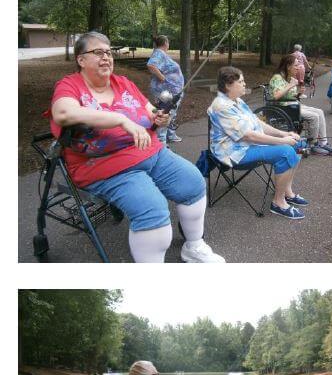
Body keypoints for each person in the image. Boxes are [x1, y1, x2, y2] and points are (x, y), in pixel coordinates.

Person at [50, 31, 224, 263]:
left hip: (149, 151)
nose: (106, 57)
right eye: (98, 52)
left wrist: (160, 117)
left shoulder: (123, 83)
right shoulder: (70, 85)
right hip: (106, 166)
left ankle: (193, 245)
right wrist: (121, 120)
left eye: (109, 52)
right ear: (81, 59)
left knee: (193, 181)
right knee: (152, 209)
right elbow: (63, 113)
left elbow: (149, 110)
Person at [208, 66, 306, 220]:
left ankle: (287, 192)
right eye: (241, 81)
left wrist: (285, 133)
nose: (245, 84)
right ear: (228, 85)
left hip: (247, 146)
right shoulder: (221, 106)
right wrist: (282, 141)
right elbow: (248, 136)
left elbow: (258, 124)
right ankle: (278, 203)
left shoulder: (237, 101)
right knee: (285, 152)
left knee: (298, 144)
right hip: (233, 154)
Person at [268, 54, 332, 156]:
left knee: (319, 112)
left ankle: (323, 143)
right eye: (296, 65)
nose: (299, 67)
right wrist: (291, 85)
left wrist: (299, 93)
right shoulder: (277, 77)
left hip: (292, 105)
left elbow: (289, 95)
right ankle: (313, 145)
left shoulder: (289, 77)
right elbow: (276, 96)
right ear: (288, 66)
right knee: (314, 116)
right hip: (283, 108)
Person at [146, 35, 184, 143]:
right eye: (168, 42)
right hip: (165, 92)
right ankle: (161, 142)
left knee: (171, 113)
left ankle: (170, 135)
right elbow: (151, 65)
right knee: (166, 113)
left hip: (171, 91)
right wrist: (162, 77)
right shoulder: (159, 53)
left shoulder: (161, 54)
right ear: (166, 43)